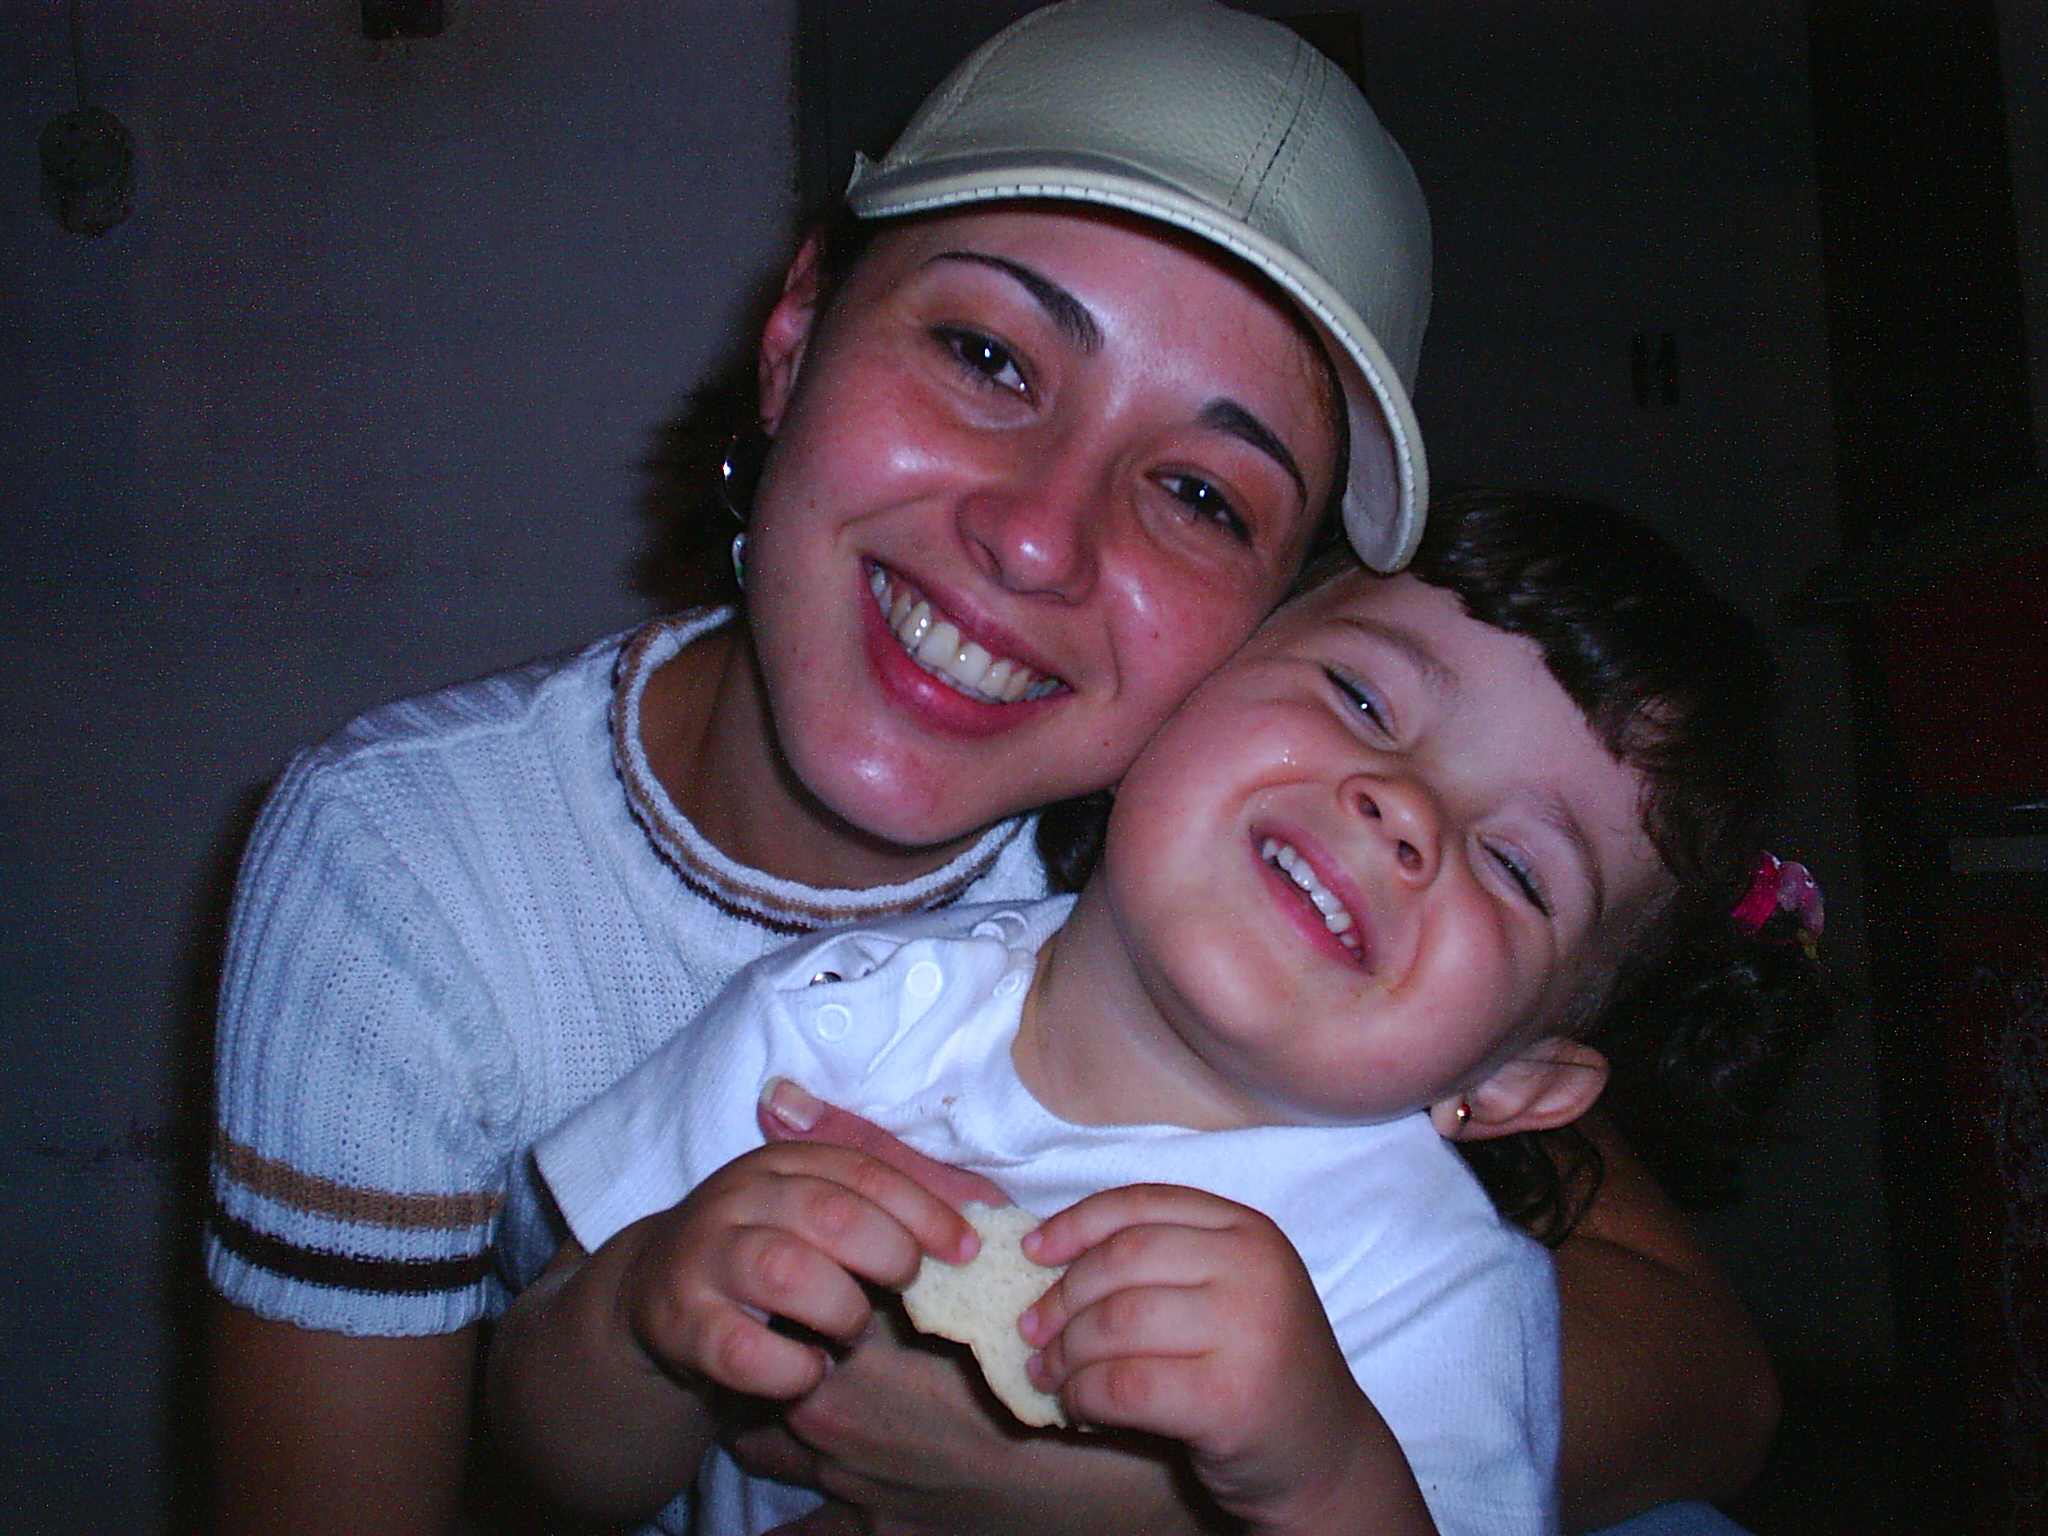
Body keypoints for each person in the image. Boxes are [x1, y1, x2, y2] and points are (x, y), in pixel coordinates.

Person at [202, 3, 1781, 1532]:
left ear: (1260, 613)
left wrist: (1167, 1491)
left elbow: (1702, 1375)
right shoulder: (694, 962)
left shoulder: (1289, 931)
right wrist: (661, 1315)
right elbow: (534, 1439)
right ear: (795, 335)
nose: (1036, 538)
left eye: (1203, 495)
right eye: (986, 355)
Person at [492, 488, 1832, 1536]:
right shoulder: (837, 1019)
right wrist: (648, 1314)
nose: (1406, 811)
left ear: (1522, 1079)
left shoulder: (1431, 1288)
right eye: (1363, 699)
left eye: (1519, 868)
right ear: (1186, 691)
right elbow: (549, 1463)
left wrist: (1325, 1474)